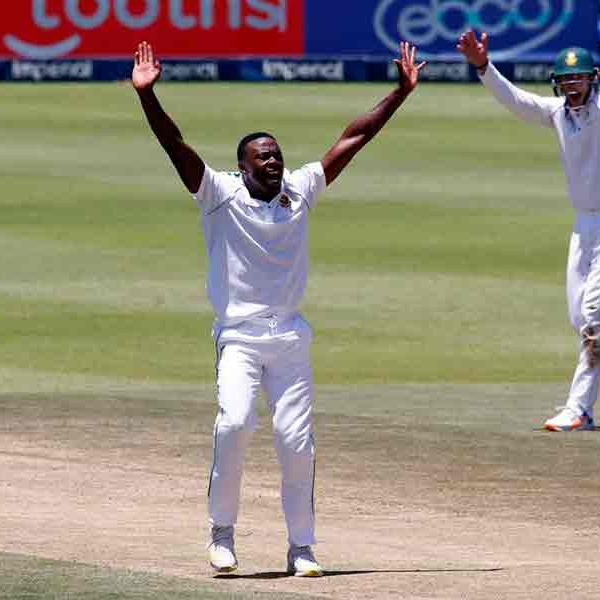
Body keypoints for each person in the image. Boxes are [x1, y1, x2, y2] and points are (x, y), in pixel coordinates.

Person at [132, 41, 425, 574]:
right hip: (240, 336)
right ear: (241, 166)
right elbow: (175, 145)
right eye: (262, 156)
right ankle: (221, 533)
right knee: (235, 424)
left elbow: (354, 138)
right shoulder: (218, 194)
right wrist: (148, 97)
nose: (274, 161)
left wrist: (399, 93)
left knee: (295, 441)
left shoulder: (301, 189)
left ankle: (302, 548)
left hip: (290, 337)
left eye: (277, 154)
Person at [456, 26, 600, 431]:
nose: (573, 86)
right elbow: (518, 102)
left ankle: (581, 409)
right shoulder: (558, 114)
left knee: (593, 319)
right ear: (558, 84)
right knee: (584, 320)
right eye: (566, 80)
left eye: (580, 79)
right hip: (584, 224)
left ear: (592, 79)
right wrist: (484, 66)